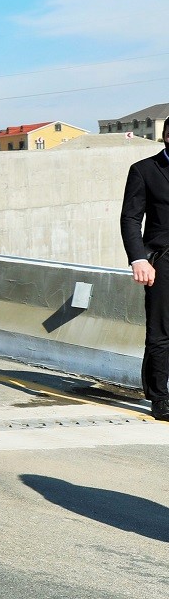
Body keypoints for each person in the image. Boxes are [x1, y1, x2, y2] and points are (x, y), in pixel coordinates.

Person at [122, 135, 169, 420]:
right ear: (167, 137)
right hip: (163, 259)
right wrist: (139, 258)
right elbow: (130, 218)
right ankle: (160, 398)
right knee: (161, 332)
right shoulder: (144, 170)